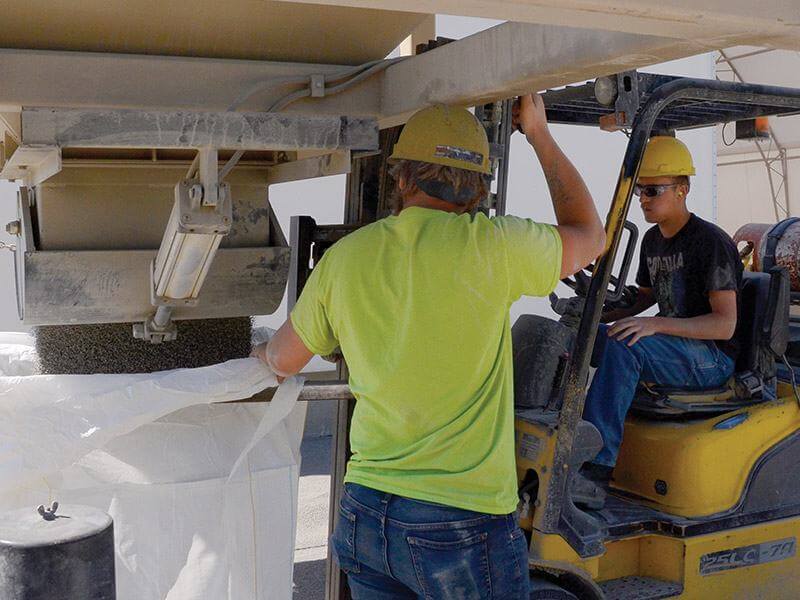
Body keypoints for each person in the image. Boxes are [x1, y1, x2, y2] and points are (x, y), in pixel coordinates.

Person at [252, 95, 605, 599]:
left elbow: (282, 361)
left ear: (400, 178)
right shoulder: (496, 246)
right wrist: (541, 137)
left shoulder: (347, 258)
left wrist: (261, 355)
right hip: (461, 524)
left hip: (368, 515)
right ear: (480, 189)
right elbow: (591, 236)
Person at [582, 136, 742, 483]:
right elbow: (644, 299)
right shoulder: (652, 240)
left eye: (653, 191)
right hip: (675, 345)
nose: (643, 199)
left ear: (682, 189)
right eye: (640, 190)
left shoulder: (710, 242)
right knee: (589, 338)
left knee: (626, 346)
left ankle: (596, 467)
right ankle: (567, 437)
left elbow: (724, 325)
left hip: (711, 357)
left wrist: (655, 325)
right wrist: (594, 315)